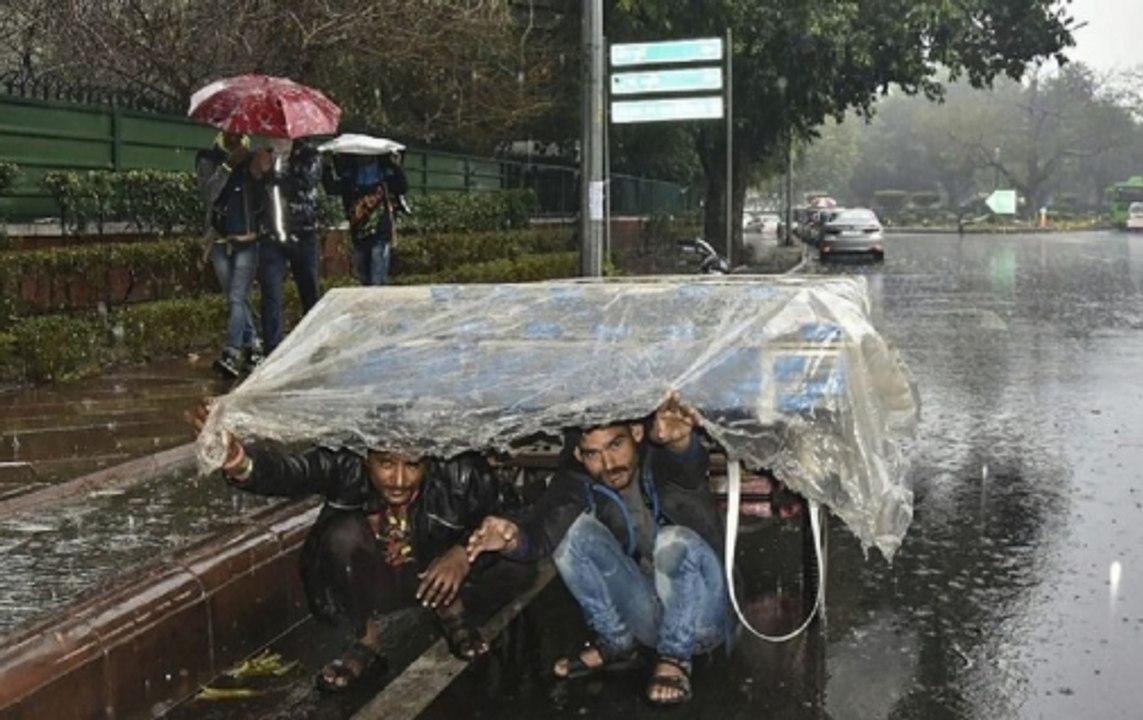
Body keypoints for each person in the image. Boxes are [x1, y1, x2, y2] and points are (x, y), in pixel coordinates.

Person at [192, 399, 533, 693]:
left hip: (439, 569)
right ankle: (365, 641)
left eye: (412, 465)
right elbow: (292, 471)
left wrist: (464, 552)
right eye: (385, 463)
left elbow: (512, 513)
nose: (399, 480)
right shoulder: (345, 463)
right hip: (379, 578)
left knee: (517, 562)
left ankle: (451, 611)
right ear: (365, 456)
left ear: (428, 461)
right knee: (340, 536)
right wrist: (241, 463)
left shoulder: (461, 471)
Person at [466, 391, 731, 706]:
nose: (608, 464)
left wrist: (679, 443)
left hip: (704, 616)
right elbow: (543, 535)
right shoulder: (578, 481)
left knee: (673, 541)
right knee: (571, 532)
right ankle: (618, 642)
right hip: (650, 617)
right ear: (579, 455)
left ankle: (675, 658)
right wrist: (512, 540)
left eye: (615, 446)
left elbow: (687, 467)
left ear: (635, 432)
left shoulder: (661, 458)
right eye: (593, 454)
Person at [195, 132, 263, 378]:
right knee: (236, 298)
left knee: (237, 296)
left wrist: (259, 168)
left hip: (246, 240)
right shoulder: (208, 159)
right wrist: (227, 166)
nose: (236, 132)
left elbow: (261, 199)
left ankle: (232, 353)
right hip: (219, 240)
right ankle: (254, 345)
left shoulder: (252, 160)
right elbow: (208, 195)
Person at [255, 139, 323, 356]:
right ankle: (272, 351)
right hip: (271, 236)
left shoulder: (309, 153)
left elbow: (305, 182)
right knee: (271, 295)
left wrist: (273, 173)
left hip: (303, 233)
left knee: (309, 291)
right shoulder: (264, 154)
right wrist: (256, 170)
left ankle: (315, 344)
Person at [322, 150, 409, 285]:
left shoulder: (384, 173)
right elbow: (331, 188)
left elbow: (402, 187)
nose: (364, 157)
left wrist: (397, 166)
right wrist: (326, 167)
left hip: (381, 232)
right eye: (361, 154)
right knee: (364, 277)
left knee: (377, 278)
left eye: (367, 153)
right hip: (359, 233)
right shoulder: (350, 175)